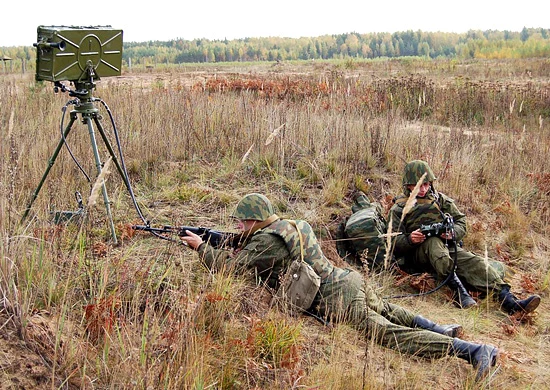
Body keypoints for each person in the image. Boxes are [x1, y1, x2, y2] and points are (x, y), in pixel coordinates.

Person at [182, 192, 499, 381]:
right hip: (348, 279)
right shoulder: (290, 226)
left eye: (242, 221)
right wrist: (222, 239)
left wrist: (200, 247)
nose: (238, 226)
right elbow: (248, 246)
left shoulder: (266, 242)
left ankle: (472, 352)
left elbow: (231, 267)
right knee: (386, 309)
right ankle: (439, 328)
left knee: (388, 333)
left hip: (339, 300)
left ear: (254, 220)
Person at [388, 160, 541, 314]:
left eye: (426, 184)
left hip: (445, 249)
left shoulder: (440, 200)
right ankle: (459, 291)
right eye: (418, 185)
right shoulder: (399, 208)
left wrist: (452, 233)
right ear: (408, 184)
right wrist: (410, 239)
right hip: (417, 256)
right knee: (433, 243)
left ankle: (510, 302)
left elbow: (461, 221)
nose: (423, 189)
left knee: (475, 263)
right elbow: (391, 241)